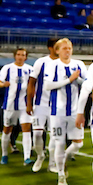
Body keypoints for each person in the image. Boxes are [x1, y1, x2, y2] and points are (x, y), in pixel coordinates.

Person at [39, 39, 86, 185]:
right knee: (59, 142)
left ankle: (63, 159)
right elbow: (47, 85)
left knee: (78, 144)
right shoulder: (52, 65)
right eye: (64, 48)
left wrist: (76, 79)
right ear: (57, 50)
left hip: (75, 111)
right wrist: (69, 80)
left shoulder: (79, 64)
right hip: (57, 112)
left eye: (70, 48)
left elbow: (87, 83)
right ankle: (60, 175)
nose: (67, 51)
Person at [24, 38, 62, 173]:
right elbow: (31, 83)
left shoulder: (65, 63)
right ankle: (40, 155)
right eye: (57, 47)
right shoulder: (41, 62)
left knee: (55, 136)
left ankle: (52, 163)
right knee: (38, 133)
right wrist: (29, 104)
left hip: (57, 106)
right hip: (40, 104)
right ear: (50, 48)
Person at [0, 48, 31, 165]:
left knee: (26, 129)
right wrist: (3, 84)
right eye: (18, 54)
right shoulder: (7, 68)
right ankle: (4, 155)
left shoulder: (30, 69)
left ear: (26, 57)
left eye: (23, 55)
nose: (20, 57)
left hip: (25, 105)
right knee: (7, 130)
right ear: (15, 56)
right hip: (10, 105)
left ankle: (27, 157)